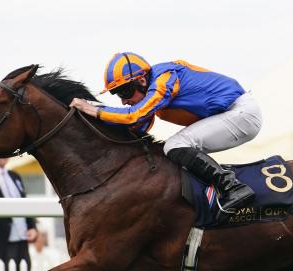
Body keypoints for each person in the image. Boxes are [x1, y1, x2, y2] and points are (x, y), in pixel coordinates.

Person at [70, 52, 262, 216]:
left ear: (142, 80)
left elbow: (134, 116)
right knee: (175, 150)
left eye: (124, 91)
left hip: (241, 113)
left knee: (175, 145)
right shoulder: (151, 90)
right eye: (118, 94)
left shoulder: (164, 79)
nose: (123, 101)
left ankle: (233, 187)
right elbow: (137, 127)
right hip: (232, 114)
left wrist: (94, 110)